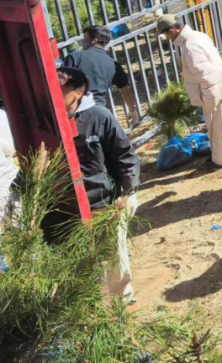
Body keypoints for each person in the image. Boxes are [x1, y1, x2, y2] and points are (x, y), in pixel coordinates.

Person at [55, 66, 140, 300]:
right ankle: (88, 303)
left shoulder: (98, 116)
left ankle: (122, 300)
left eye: (59, 90)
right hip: (69, 203)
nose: (54, 95)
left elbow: (126, 156)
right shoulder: (49, 120)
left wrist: (127, 191)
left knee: (114, 252)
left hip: (105, 200)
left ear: (78, 93)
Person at [157, 15, 222, 167]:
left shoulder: (189, 48)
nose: (166, 38)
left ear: (173, 30)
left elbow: (208, 77)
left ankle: (220, 160)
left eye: (166, 34)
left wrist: (210, 101)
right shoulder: (198, 36)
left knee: (216, 128)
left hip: (212, 91)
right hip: (221, 86)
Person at [64, 25, 139, 125]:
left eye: (85, 37)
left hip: (76, 112)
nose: (82, 41)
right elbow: (125, 91)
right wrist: (133, 111)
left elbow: (62, 85)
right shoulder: (113, 64)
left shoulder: (74, 57)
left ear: (94, 40)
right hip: (100, 112)